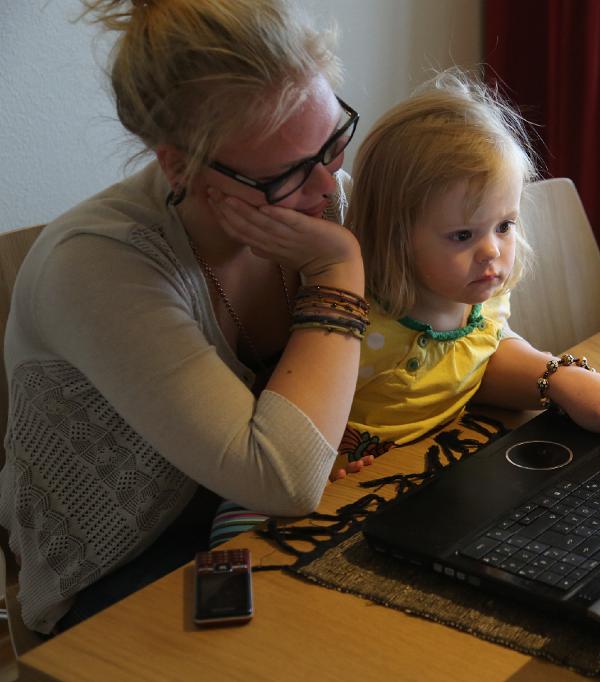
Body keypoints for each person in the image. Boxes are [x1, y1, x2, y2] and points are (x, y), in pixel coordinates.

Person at [0, 0, 372, 634]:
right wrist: (338, 273)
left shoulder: (319, 202)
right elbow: (281, 479)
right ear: (179, 165)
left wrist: (545, 373)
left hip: (264, 521)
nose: (326, 185)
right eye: (286, 174)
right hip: (124, 567)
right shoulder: (96, 264)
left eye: (333, 141)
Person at [340, 70, 600, 454]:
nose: (491, 251)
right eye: (463, 235)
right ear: (394, 236)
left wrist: (565, 379)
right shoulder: (355, 325)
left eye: (504, 225)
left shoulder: (483, 300)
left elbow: (480, 357)